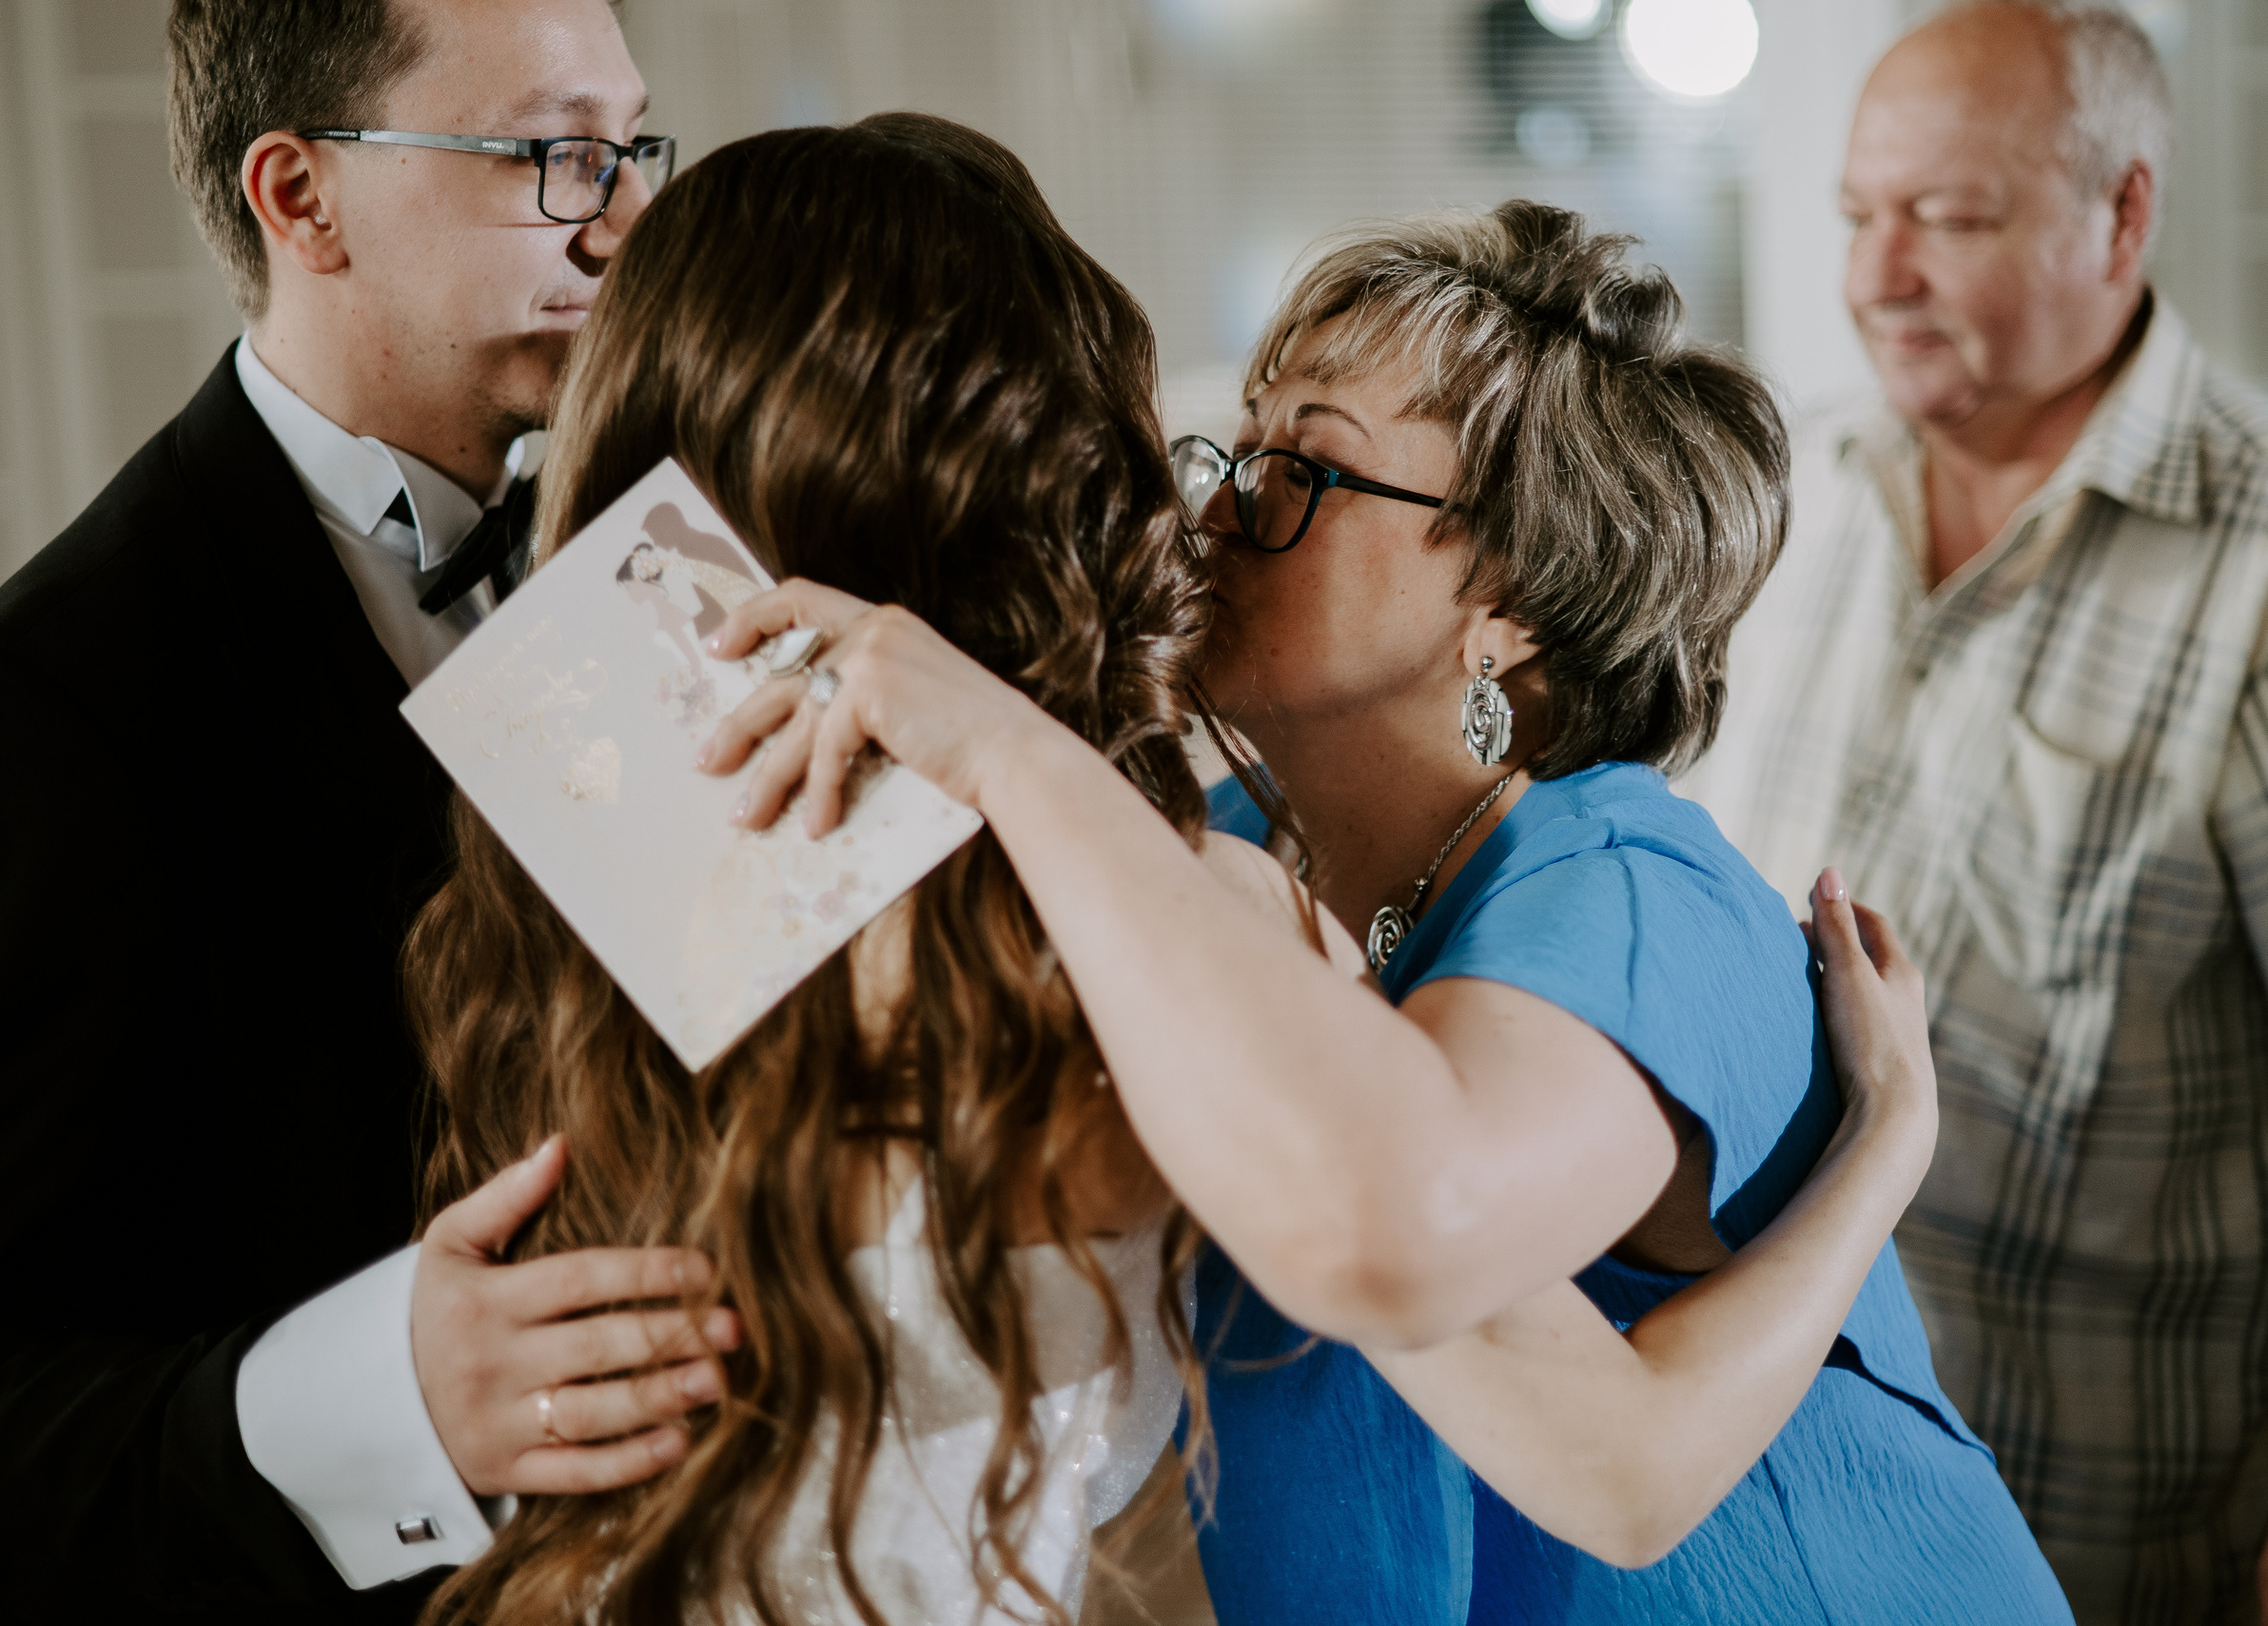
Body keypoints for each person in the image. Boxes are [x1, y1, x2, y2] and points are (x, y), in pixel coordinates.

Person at [710, 199, 2071, 1621]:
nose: (1220, 504)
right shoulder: (1231, 843)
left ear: (1511, 602)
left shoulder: (1633, 899)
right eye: (1240, 442)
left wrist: (1003, 741)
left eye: (1306, 465)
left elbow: (1583, 1431)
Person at [1672, 4, 2268, 1621]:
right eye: (1860, 215)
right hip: (1777, 1480)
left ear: (2126, 212)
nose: (1880, 275)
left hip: (2101, 1530)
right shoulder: (1789, 497)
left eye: (1949, 218)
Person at [0, 3, 731, 1620]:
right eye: (555, 154)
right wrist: (368, 1402)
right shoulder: (55, 702)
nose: (628, 222)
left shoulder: (660, 550)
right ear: (300, 198)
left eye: (629, 146)